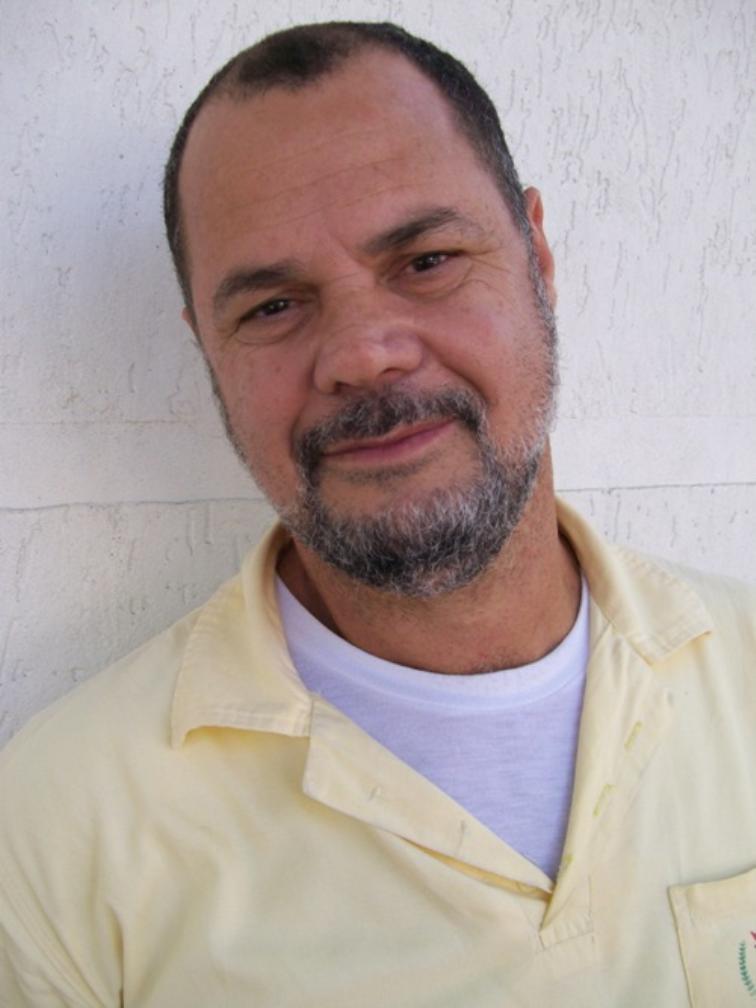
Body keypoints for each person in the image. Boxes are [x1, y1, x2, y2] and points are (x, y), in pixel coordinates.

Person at [1, 20, 754, 1007]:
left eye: (427, 259)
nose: (363, 353)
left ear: (537, 255)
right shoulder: (59, 827)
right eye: (272, 307)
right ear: (207, 350)